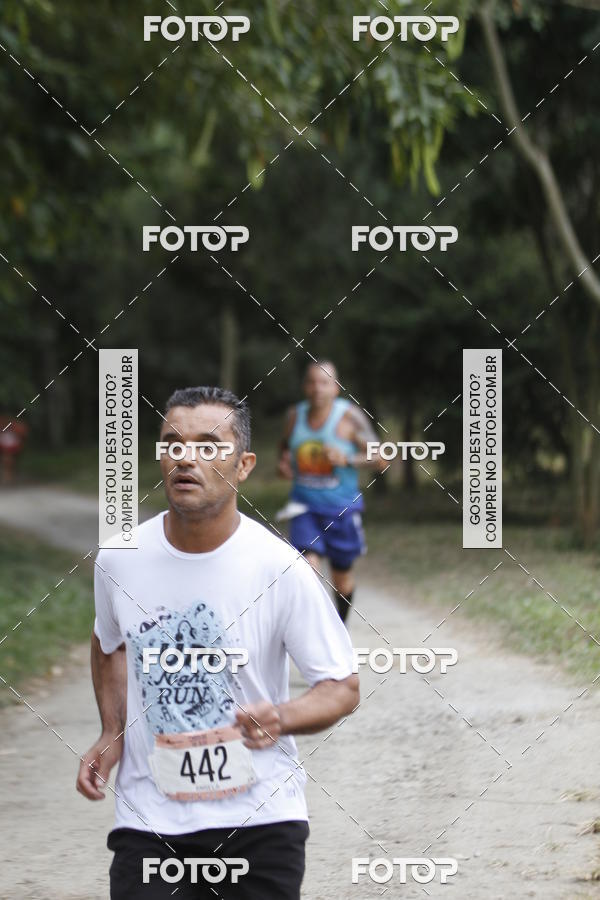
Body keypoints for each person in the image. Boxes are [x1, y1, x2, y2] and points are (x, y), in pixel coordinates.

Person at [76, 386, 359, 900]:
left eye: (209, 446)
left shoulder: (281, 569)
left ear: (245, 464)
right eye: (173, 443)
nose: (187, 458)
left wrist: (283, 715)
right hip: (150, 822)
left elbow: (341, 686)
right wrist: (112, 730)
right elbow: (108, 640)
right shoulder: (119, 559)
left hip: (261, 823)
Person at [277, 361, 385, 624]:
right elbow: (283, 453)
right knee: (307, 572)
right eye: (312, 382)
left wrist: (348, 460)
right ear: (305, 387)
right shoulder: (295, 416)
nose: (317, 389)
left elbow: (381, 459)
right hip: (305, 508)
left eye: (324, 383)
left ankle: (340, 628)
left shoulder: (350, 417)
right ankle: (318, 632)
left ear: (336, 388)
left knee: (342, 579)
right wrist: (284, 466)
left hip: (342, 510)